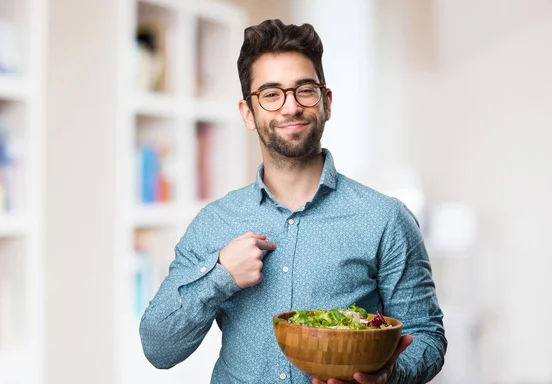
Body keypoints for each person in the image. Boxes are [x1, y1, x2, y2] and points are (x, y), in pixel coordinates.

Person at [140, 19, 446, 384]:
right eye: (270, 94)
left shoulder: (386, 219)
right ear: (247, 113)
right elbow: (158, 348)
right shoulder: (214, 223)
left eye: (304, 90)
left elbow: (426, 337)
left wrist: (387, 374)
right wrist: (220, 276)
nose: (290, 107)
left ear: (326, 102)